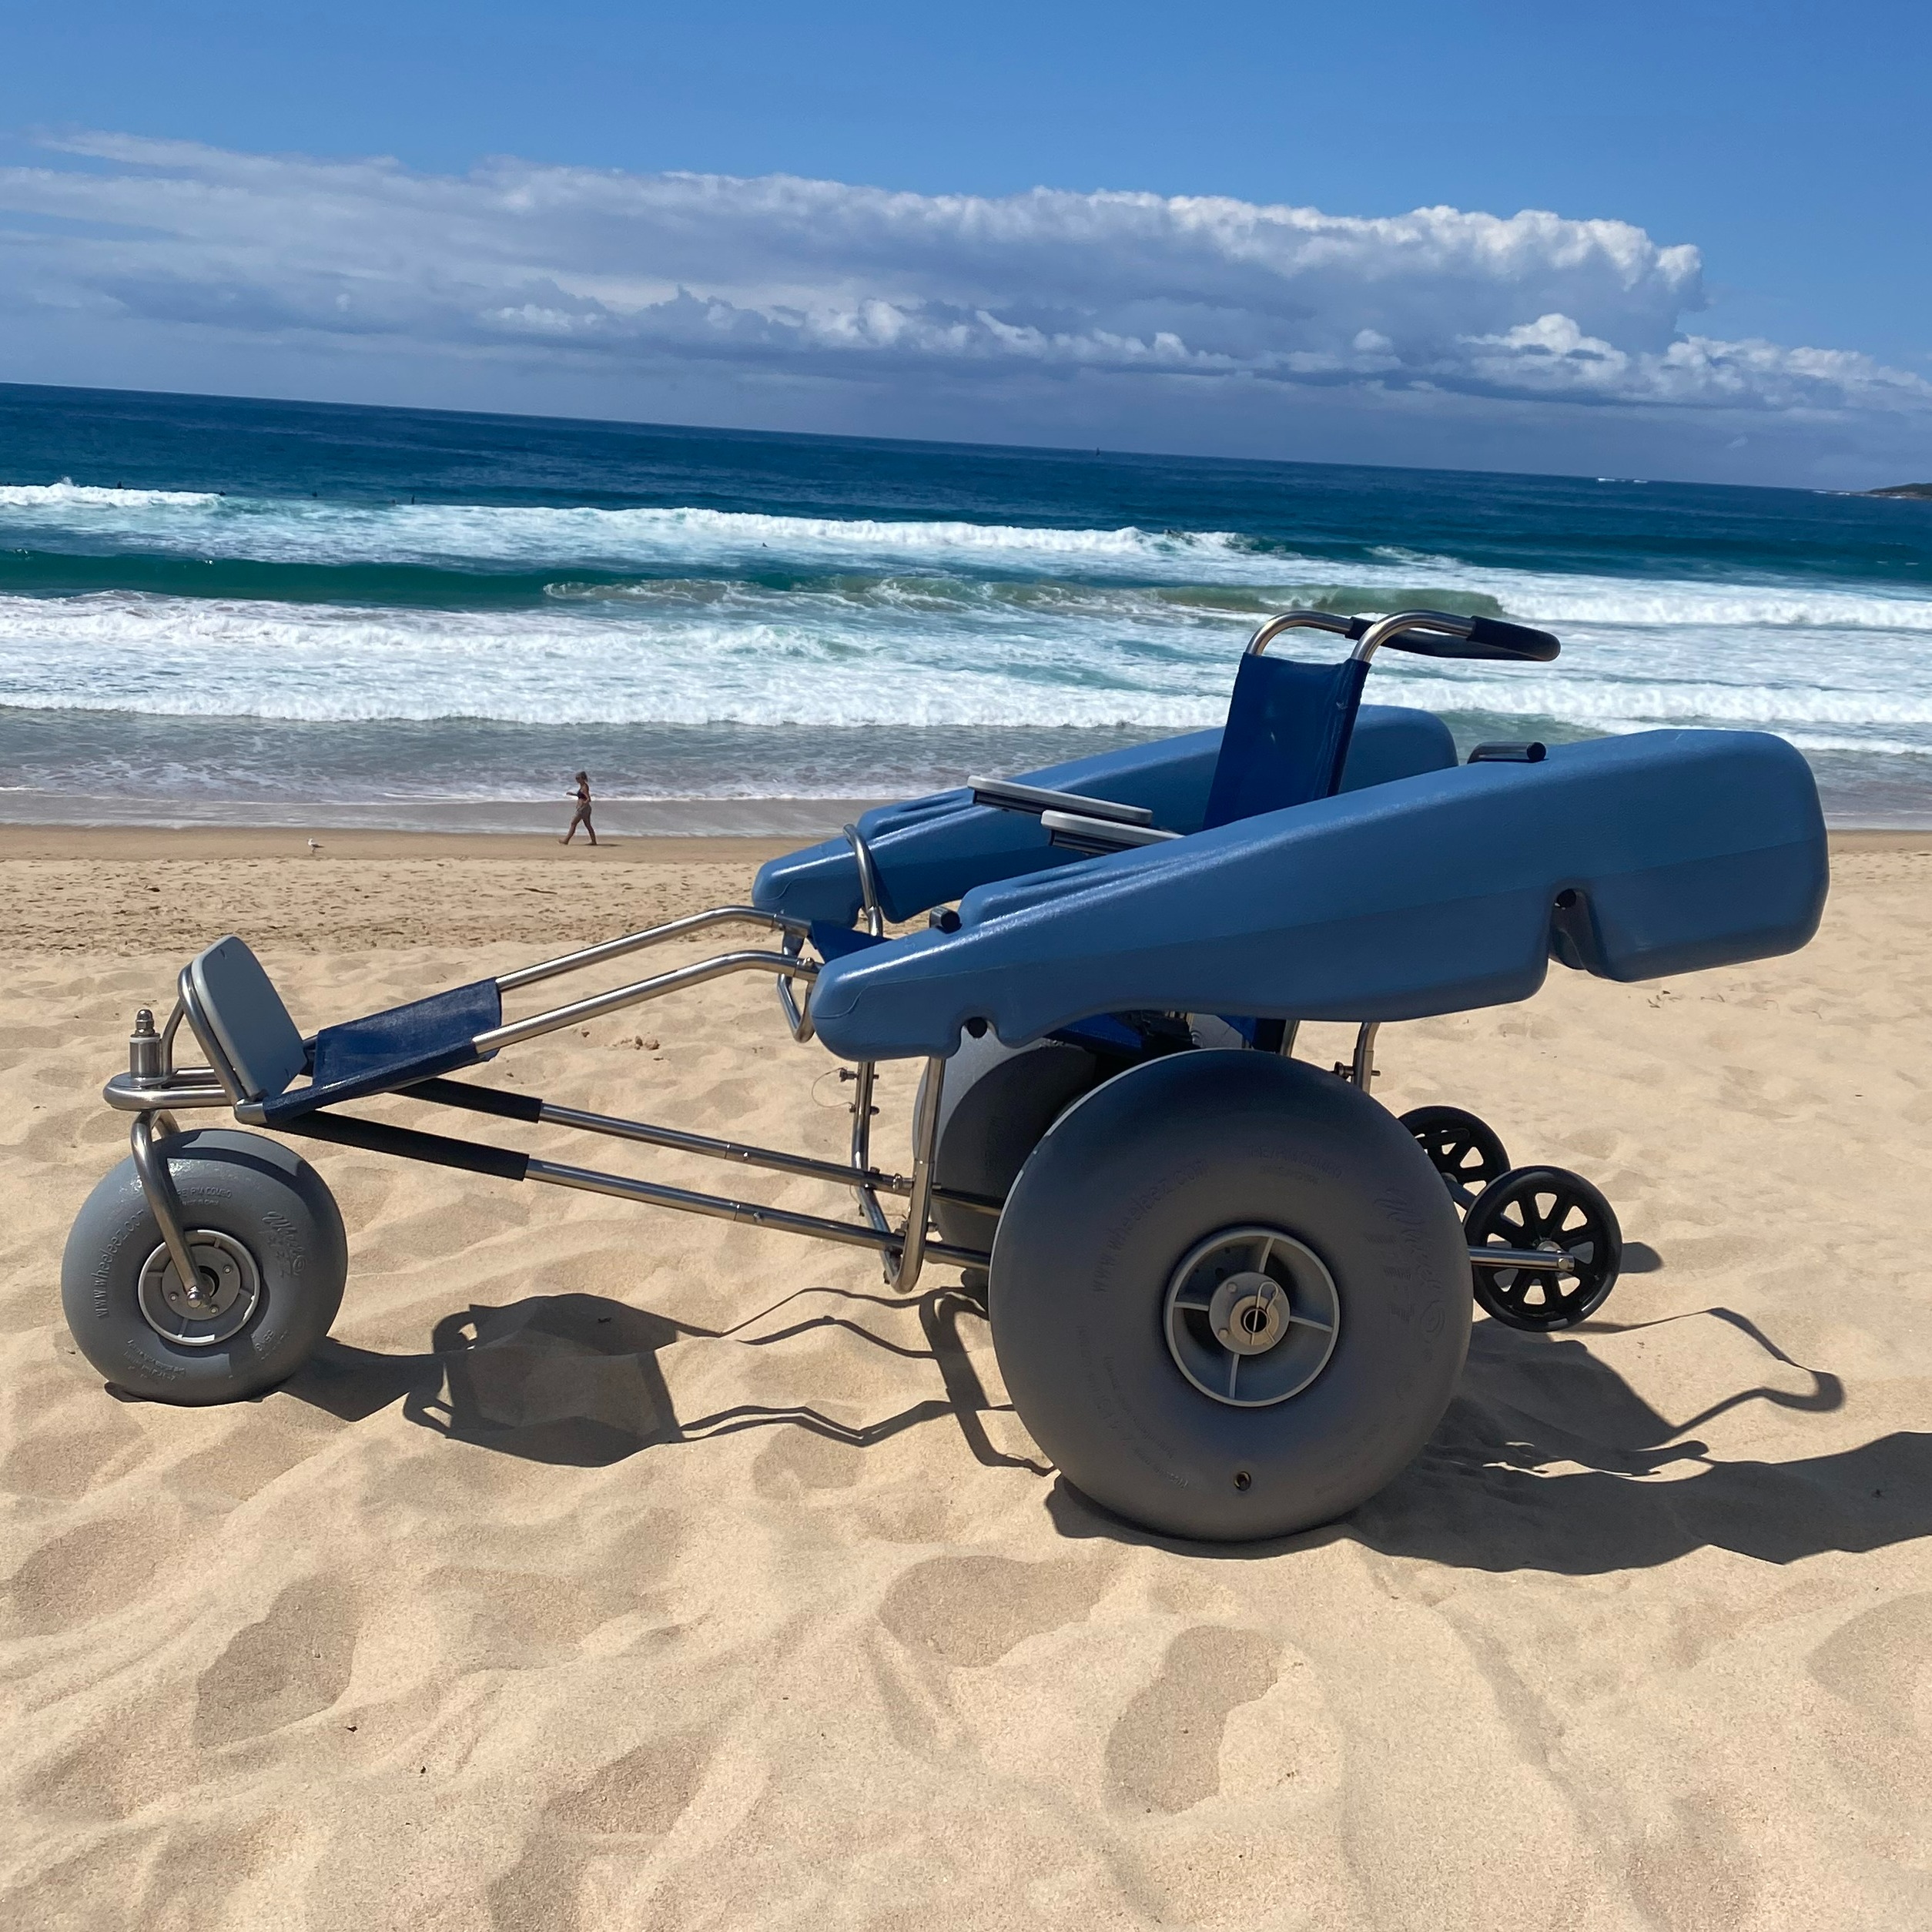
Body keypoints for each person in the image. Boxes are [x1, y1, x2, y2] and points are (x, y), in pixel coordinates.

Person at [561, 770, 598, 846]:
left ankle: (566, 840)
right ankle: (593, 841)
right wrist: (573, 794)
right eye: (576, 778)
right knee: (588, 825)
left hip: (583, 809)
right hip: (586, 809)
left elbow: (588, 798)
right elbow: (582, 796)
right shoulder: (583, 786)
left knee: (573, 823)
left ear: (582, 778)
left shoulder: (584, 787)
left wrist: (584, 803)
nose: (577, 780)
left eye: (578, 778)